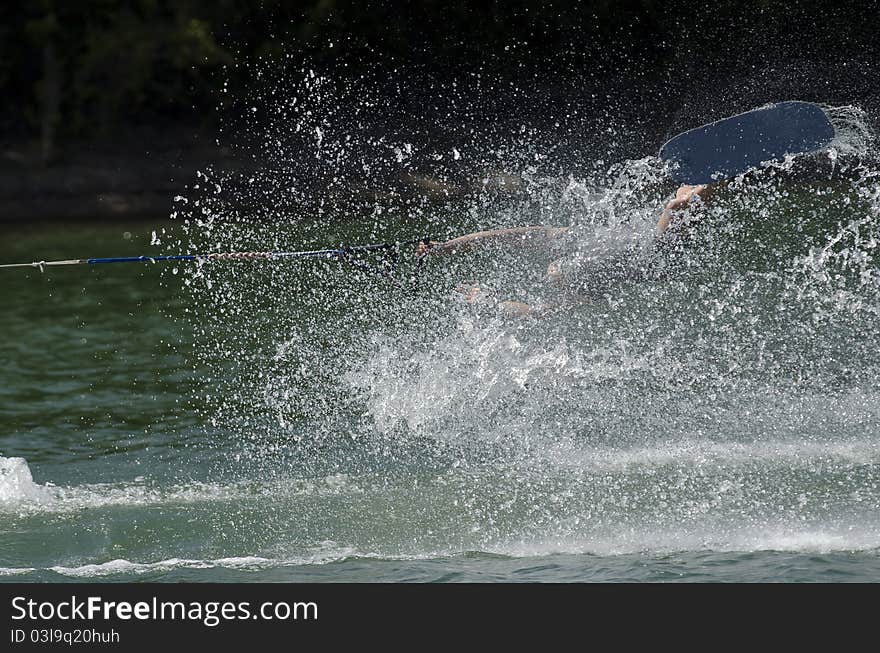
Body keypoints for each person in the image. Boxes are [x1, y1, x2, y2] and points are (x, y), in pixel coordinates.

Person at [415, 183, 713, 315]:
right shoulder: (588, 261)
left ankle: (715, 183)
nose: (552, 269)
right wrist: (446, 247)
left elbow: (500, 237)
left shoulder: (575, 240)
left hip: (652, 255)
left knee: (684, 197)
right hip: (654, 256)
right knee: (681, 201)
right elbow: (502, 237)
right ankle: (722, 181)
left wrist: (448, 247)